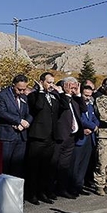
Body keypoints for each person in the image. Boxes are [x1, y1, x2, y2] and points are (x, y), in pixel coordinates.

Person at [26, 72, 60, 204]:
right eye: (49, 82)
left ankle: (42, 192)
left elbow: (62, 107)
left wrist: (61, 92)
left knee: (46, 167)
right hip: (38, 136)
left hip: (51, 136)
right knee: (34, 167)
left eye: (53, 82)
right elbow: (38, 107)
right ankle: (32, 193)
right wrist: (40, 90)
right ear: (41, 82)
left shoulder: (53, 96)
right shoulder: (34, 95)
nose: (51, 85)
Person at [53, 77, 85, 199]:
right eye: (71, 87)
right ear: (64, 86)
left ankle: (62, 188)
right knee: (54, 164)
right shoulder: (59, 96)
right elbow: (64, 107)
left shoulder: (74, 98)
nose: (73, 90)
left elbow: (84, 108)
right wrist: (65, 94)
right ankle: (51, 189)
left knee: (64, 165)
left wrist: (78, 94)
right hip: (61, 136)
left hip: (72, 136)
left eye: (75, 87)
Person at [0, 74, 32, 177]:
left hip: (21, 136)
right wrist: (18, 121)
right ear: (13, 85)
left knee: (18, 167)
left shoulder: (24, 97)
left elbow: (29, 113)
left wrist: (25, 123)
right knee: (5, 166)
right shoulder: (2, 95)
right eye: (19, 89)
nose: (22, 92)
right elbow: (2, 112)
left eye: (24, 89)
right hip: (7, 135)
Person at [73, 84, 100, 194]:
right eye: (85, 95)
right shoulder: (77, 104)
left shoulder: (90, 105)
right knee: (76, 164)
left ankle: (80, 185)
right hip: (80, 137)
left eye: (89, 95)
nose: (87, 98)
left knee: (85, 163)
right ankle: (72, 186)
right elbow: (81, 119)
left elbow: (95, 118)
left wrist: (94, 127)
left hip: (90, 138)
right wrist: (92, 127)